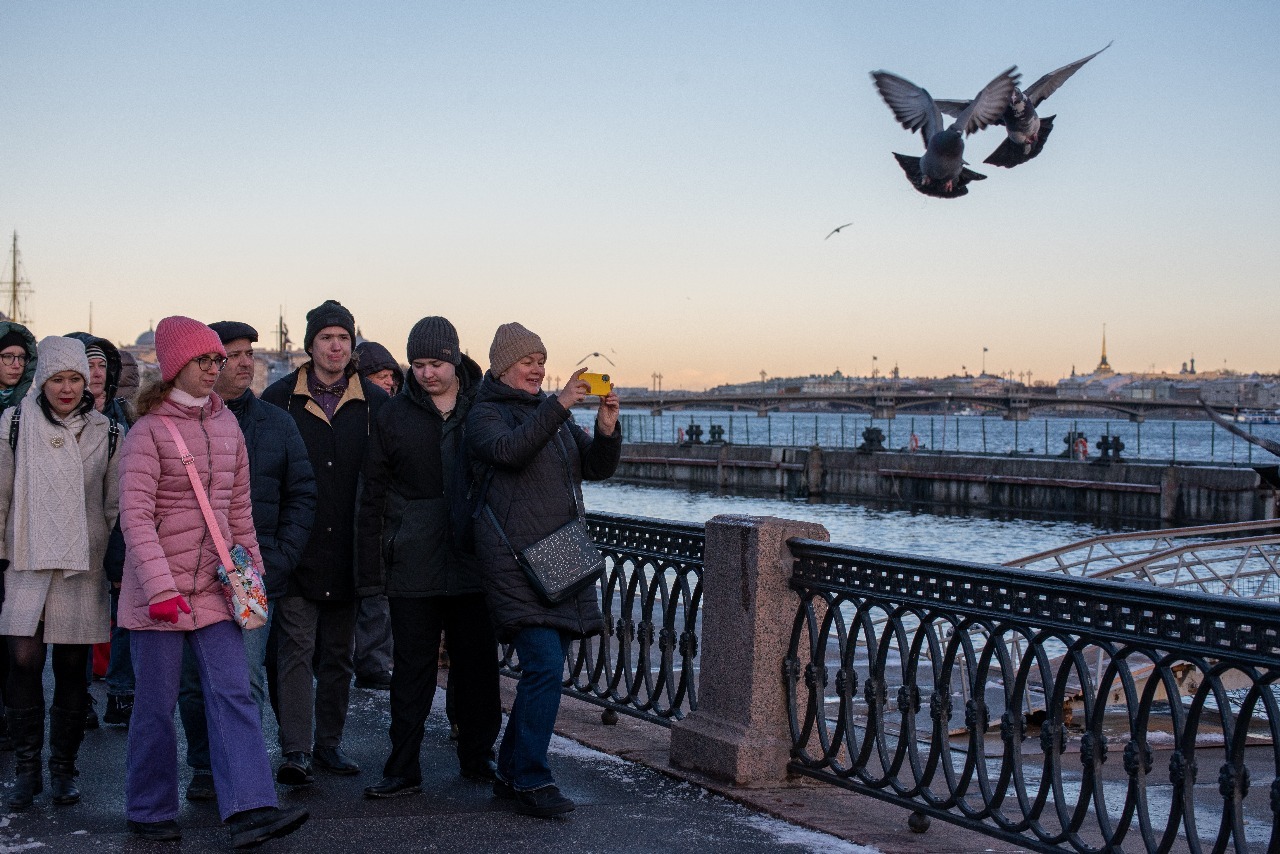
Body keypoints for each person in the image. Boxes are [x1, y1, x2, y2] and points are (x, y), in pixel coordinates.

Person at [117, 316, 307, 845]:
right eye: (205, 360)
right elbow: (135, 516)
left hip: (217, 589)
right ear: (177, 366)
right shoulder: (148, 431)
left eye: (217, 360)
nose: (214, 369)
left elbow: (239, 513)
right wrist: (159, 588)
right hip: (161, 595)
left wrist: (254, 578)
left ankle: (250, 807)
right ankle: (149, 809)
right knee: (155, 705)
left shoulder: (227, 426)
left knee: (234, 694)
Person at [466, 322, 621, 817]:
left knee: (544, 670)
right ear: (501, 367)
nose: (537, 369)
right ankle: (532, 779)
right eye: (527, 361)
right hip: (513, 559)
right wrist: (559, 404)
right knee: (545, 666)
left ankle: (512, 771)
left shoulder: (548, 416)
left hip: (557, 558)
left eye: (541, 360)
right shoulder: (484, 414)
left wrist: (606, 429)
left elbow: (593, 468)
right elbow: (511, 451)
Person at [358, 317, 500, 798]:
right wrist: (372, 567)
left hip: (473, 559)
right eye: (416, 365)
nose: (425, 374)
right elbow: (372, 492)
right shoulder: (395, 415)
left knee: (478, 668)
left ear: (456, 358)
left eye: (435, 363)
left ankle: (479, 759)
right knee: (412, 672)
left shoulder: (483, 407)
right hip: (413, 561)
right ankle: (401, 769)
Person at [177, 320, 316, 802]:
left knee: (247, 681)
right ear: (203, 364)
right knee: (195, 683)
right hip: (192, 574)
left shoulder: (277, 424)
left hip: (255, 576)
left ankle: (246, 775)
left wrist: (277, 559)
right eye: (227, 354)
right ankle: (203, 767)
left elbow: (302, 494)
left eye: (246, 354)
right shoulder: (177, 423)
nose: (240, 362)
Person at [261, 300, 387, 785]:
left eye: (343, 338)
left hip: (353, 548)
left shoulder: (377, 404)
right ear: (310, 345)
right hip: (298, 547)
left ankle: (329, 744)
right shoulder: (279, 400)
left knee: (338, 654)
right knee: (295, 649)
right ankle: (296, 750)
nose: (335, 346)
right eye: (326, 338)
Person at [0, 336, 119, 810]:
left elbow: (113, 506)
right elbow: (0, 496)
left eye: (75, 378)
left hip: (82, 566)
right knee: (23, 665)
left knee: (73, 671)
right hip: (26, 561)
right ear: (41, 380)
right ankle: (26, 772)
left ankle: (64, 771)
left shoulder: (106, 431)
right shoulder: (12, 425)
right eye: (57, 379)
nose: (67, 388)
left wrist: (113, 561)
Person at [65, 332, 133, 729]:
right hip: (82, 527)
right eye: (87, 364)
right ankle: (84, 695)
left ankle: (122, 692)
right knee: (84, 613)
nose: (94, 372)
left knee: (125, 611)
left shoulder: (127, 414)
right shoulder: (64, 416)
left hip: (123, 524)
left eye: (100, 365)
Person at [349, 339, 401, 690]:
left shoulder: (392, 413)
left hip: (382, 516)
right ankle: (367, 662)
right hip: (359, 514)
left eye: (391, 377)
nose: (388, 383)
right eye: (380, 376)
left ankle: (373, 663)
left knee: (377, 596)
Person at [0, 320, 36, 751]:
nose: (14, 364)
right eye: (6, 357)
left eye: (20, 358)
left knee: (15, 639)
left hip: (15, 536)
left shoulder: (26, 412)